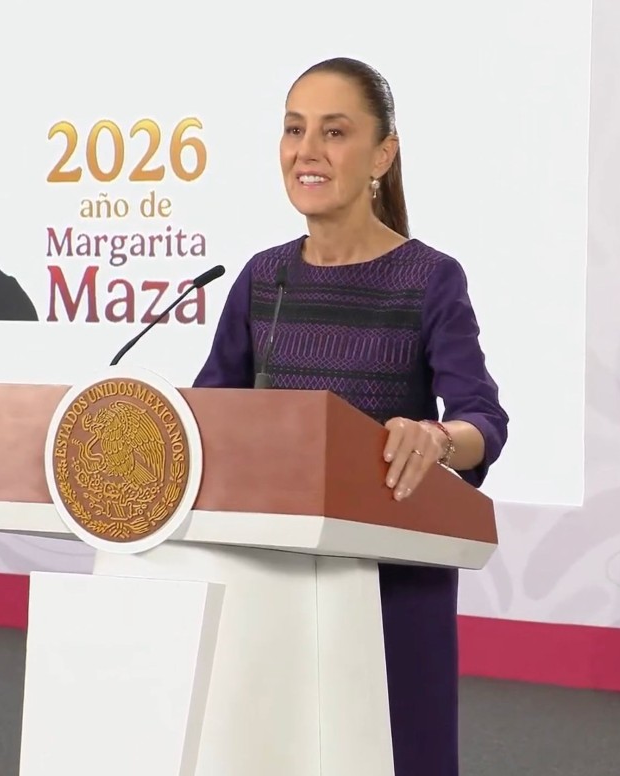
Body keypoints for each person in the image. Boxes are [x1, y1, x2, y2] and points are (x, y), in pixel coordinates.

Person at [194, 57, 509, 776]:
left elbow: (481, 419)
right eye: (294, 130)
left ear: (382, 155)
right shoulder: (262, 278)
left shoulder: (430, 278)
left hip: (390, 588)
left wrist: (435, 438)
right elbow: (211, 416)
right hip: (268, 583)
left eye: (334, 132)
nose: (307, 151)